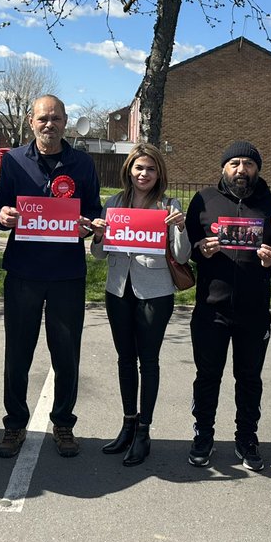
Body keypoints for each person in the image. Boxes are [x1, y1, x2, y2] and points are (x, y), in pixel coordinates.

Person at [0, 95, 102, 458]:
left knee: (67, 353)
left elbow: (92, 213)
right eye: (43, 118)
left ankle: (64, 423)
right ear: (31, 121)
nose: (49, 124)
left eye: (56, 118)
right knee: (18, 353)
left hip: (67, 274)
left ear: (66, 121)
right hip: (23, 271)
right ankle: (14, 424)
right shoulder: (12, 161)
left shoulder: (82, 163)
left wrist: (86, 229)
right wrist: (4, 216)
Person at [90, 143, 192, 466]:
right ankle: (128, 423)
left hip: (155, 292)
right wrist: (97, 235)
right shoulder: (114, 203)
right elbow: (99, 255)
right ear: (129, 171)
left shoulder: (169, 204)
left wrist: (180, 226)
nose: (143, 174)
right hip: (118, 289)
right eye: (138, 168)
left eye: (150, 168)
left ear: (158, 172)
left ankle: (144, 432)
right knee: (124, 358)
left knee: (148, 361)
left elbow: (184, 255)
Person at [185, 141, 271, 471]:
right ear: (223, 168)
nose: (242, 169)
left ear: (258, 169)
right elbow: (189, 249)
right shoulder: (203, 200)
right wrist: (201, 248)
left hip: (255, 310)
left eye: (249, 164)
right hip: (212, 308)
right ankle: (203, 435)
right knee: (208, 376)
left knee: (250, 378)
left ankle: (247, 437)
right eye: (235, 163)